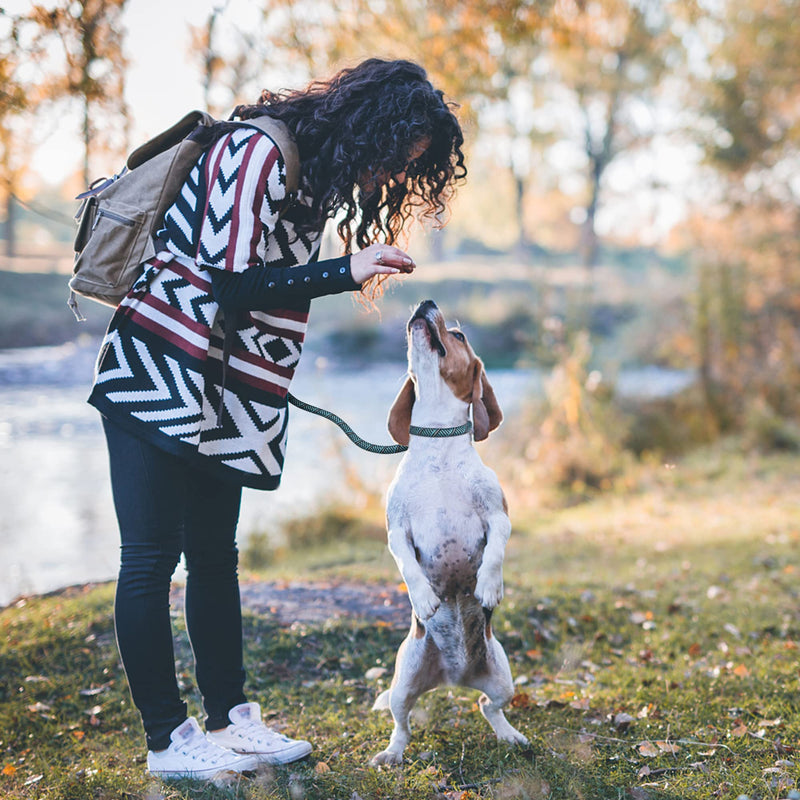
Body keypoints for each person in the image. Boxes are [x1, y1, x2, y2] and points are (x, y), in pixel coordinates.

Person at [88, 58, 466, 780]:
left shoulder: (310, 179)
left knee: (215, 556)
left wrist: (341, 268)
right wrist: (343, 270)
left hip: (226, 388)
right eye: (394, 158)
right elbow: (228, 282)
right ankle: (169, 741)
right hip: (159, 370)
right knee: (149, 560)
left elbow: (261, 289)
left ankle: (231, 722)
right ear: (367, 129)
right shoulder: (255, 152)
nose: (391, 178)